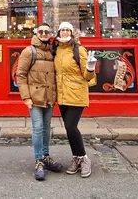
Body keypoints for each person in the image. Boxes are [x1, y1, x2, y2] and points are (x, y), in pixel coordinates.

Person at [15, 23, 63, 181]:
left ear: (50, 34)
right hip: (35, 97)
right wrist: (26, 97)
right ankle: (38, 161)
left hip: (49, 97)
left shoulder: (52, 51)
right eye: (41, 31)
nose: (43, 34)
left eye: (47, 32)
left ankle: (46, 156)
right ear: (36, 33)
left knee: (46, 128)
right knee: (38, 128)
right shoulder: (29, 51)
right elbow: (20, 75)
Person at [54, 22, 96, 178]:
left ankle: (84, 159)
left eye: (67, 30)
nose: (64, 32)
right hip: (62, 95)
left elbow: (87, 75)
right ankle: (76, 157)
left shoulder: (79, 49)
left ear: (72, 33)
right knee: (68, 128)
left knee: (71, 126)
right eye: (62, 30)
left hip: (77, 93)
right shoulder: (56, 49)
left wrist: (90, 67)